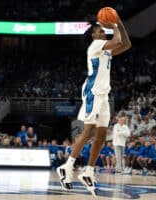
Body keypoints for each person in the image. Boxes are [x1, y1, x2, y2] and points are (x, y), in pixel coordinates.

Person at [57, 11, 131, 196]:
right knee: (88, 130)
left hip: (104, 94)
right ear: (93, 35)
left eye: (103, 30)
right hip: (93, 92)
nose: (103, 32)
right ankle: (67, 166)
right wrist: (114, 25)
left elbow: (126, 44)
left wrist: (119, 22)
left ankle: (88, 172)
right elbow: (116, 40)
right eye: (100, 30)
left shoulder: (105, 50)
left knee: (101, 135)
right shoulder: (96, 45)